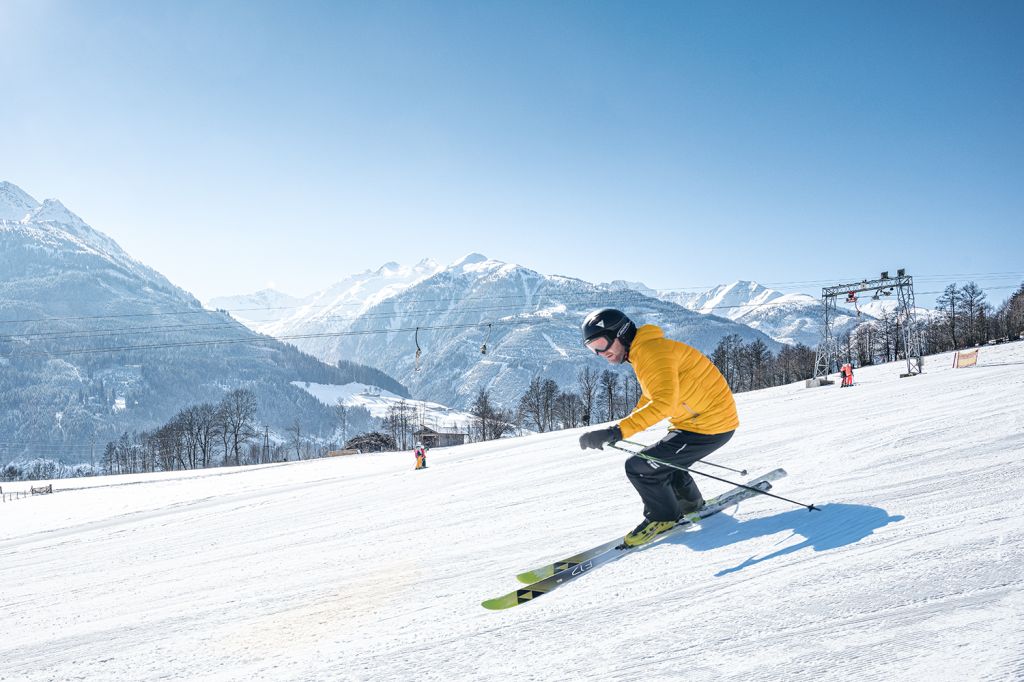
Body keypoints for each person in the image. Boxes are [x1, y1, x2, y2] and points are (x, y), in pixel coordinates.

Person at [578, 308, 739, 547]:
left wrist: (617, 431)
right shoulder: (645, 352)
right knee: (663, 461)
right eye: (593, 349)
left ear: (621, 334)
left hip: (709, 425)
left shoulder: (651, 353)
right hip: (699, 422)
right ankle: (690, 505)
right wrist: (623, 427)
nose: (602, 353)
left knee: (639, 467)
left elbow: (664, 403)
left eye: (602, 344)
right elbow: (652, 396)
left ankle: (663, 518)